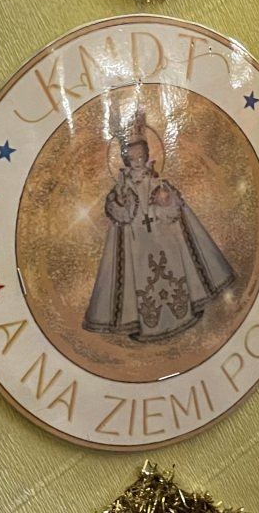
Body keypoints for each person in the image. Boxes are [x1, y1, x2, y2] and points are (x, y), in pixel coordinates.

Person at [83, 114, 235, 342]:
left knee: (173, 271)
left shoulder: (157, 182)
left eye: (140, 156)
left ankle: (182, 314)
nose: (137, 161)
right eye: (132, 158)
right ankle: (145, 324)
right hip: (136, 242)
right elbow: (117, 210)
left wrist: (166, 202)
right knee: (140, 280)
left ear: (147, 156)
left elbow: (173, 208)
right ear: (126, 160)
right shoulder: (122, 187)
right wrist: (121, 203)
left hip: (164, 239)